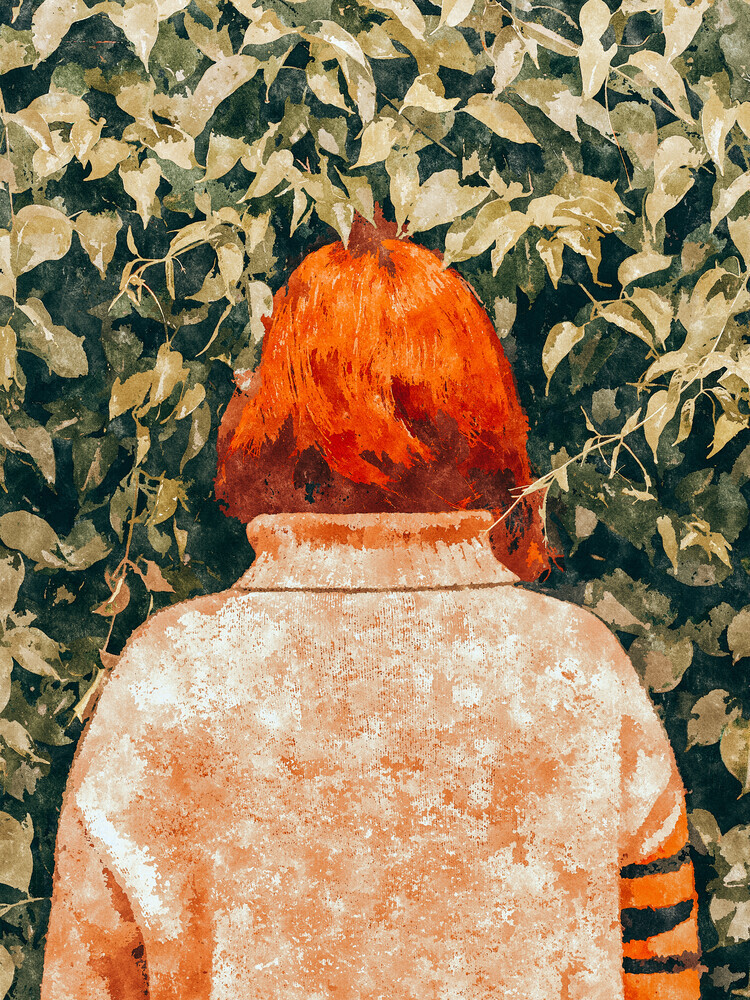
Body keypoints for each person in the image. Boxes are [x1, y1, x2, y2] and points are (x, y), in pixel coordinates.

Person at [42, 214, 701, 1000]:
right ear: (483, 416)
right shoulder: (579, 669)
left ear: (280, 417)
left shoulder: (170, 676)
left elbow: (87, 980)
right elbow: (664, 975)